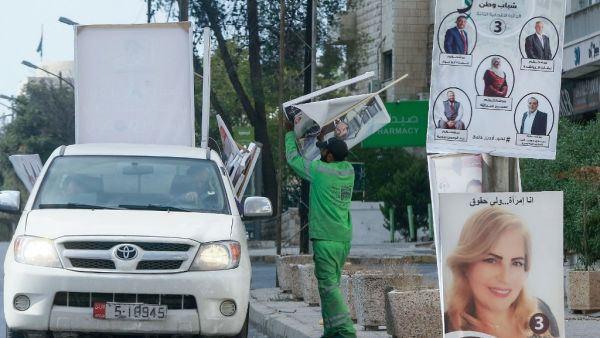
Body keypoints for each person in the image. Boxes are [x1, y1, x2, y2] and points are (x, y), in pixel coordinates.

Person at [285, 121, 356, 338]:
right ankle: (331, 331)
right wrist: (321, 139)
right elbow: (337, 151)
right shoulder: (348, 169)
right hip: (342, 239)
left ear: (330, 157)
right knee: (330, 286)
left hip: (325, 238)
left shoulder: (318, 170)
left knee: (328, 288)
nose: (321, 152)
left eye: (324, 151)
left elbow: (293, 159)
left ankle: (345, 331)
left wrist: (290, 133)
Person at [445, 207, 559, 338]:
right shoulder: (448, 325)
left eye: (516, 263)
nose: (506, 277)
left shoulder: (540, 312)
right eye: (491, 260)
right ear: (465, 265)